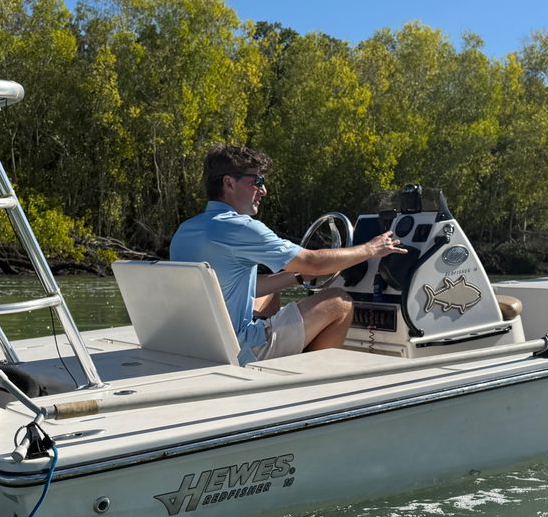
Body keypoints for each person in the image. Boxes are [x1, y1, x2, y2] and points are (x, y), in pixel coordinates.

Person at [169, 145, 405, 365]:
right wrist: (371, 249)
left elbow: (238, 286)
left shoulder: (186, 230)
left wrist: (298, 277)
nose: (264, 190)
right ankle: (311, 380)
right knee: (339, 303)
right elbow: (313, 262)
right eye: (257, 181)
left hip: (202, 346)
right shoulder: (241, 227)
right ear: (229, 182)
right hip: (238, 349)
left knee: (270, 296)